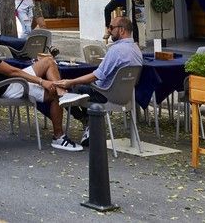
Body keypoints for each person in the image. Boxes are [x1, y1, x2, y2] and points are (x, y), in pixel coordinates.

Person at [0, 15, 82, 151]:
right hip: (8, 86)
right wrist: (41, 81)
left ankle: (61, 92)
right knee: (53, 92)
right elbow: (12, 72)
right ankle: (59, 136)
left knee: (49, 62)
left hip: (2, 84)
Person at [56, 16, 144, 147]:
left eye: (111, 28)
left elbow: (96, 75)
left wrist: (70, 82)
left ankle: (86, 121)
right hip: (126, 96)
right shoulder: (137, 50)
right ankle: (89, 124)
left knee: (66, 91)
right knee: (82, 87)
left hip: (105, 95)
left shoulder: (116, 50)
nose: (108, 31)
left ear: (122, 30)